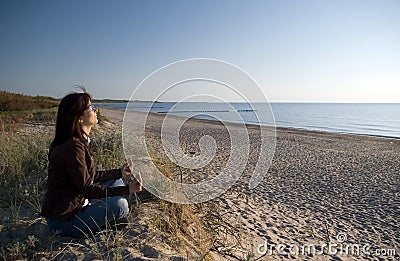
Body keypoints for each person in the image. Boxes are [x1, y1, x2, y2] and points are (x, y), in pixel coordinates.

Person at [40, 89, 142, 237]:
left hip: (78, 204)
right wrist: (128, 190)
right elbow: (87, 189)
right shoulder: (73, 147)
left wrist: (119, 172)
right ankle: (101, 222)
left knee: (116, 181)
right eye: (90, 108)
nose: (96, 110)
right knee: (121, 206)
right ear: (80, 118)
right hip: (65, 221)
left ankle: (101, 216)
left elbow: (91, 176)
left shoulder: (79, 141)